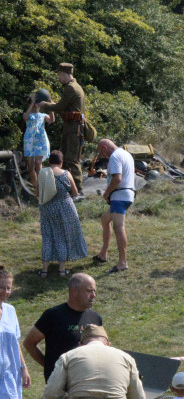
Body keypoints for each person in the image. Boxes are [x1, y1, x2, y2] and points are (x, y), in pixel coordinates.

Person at [38, 63, 87, 193]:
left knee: (72, 160)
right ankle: (65, 188)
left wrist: (45, 105)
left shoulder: (71, 88)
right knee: (64, 158)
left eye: (59, 75)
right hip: (70, 128)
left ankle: (79, 191)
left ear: (64, 74)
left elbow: (60, 107)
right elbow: (64, 107)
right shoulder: (74, 87)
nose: (59, 78)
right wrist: (54, 105)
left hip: (73, 129)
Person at [38, 151, 88, 278]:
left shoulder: (43, 173)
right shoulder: (66, 173)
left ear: (49, 162)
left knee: (48, 236)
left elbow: (38, 192)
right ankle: (61, 270)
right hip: (65, 207)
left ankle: (44, 270)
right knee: (62, 237)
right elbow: (75, 192)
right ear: (61, 162)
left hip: (47, 208)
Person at [94, 139, 136, 272]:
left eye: (101, 153)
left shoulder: (115, 156)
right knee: (105, 219)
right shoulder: (126, 154)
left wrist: (106, 193)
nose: (103, 156)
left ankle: (122, 262)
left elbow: (117, 179)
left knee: (118, 227)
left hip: (120, 196)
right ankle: (103, 254)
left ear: (105, 147)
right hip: (126, 194)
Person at [0, 267, 31, 399]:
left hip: (9, 373)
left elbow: (15, 342)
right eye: (1, 287)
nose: (5, 292)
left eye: (8, 288)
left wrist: (23, 368)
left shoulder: (10, 311)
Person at [22, 89, 54, 191]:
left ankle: (41, 188)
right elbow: (25, 118)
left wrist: (51, 106)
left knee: (38, 163)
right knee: (30, 166)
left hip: (41, 140)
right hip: (29, 141)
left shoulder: (43, 115)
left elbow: (52, 120)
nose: (36, 106)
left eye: (37, 104)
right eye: (34, 104)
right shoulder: (27, 114)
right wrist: (32, 104)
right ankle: (36, 187)